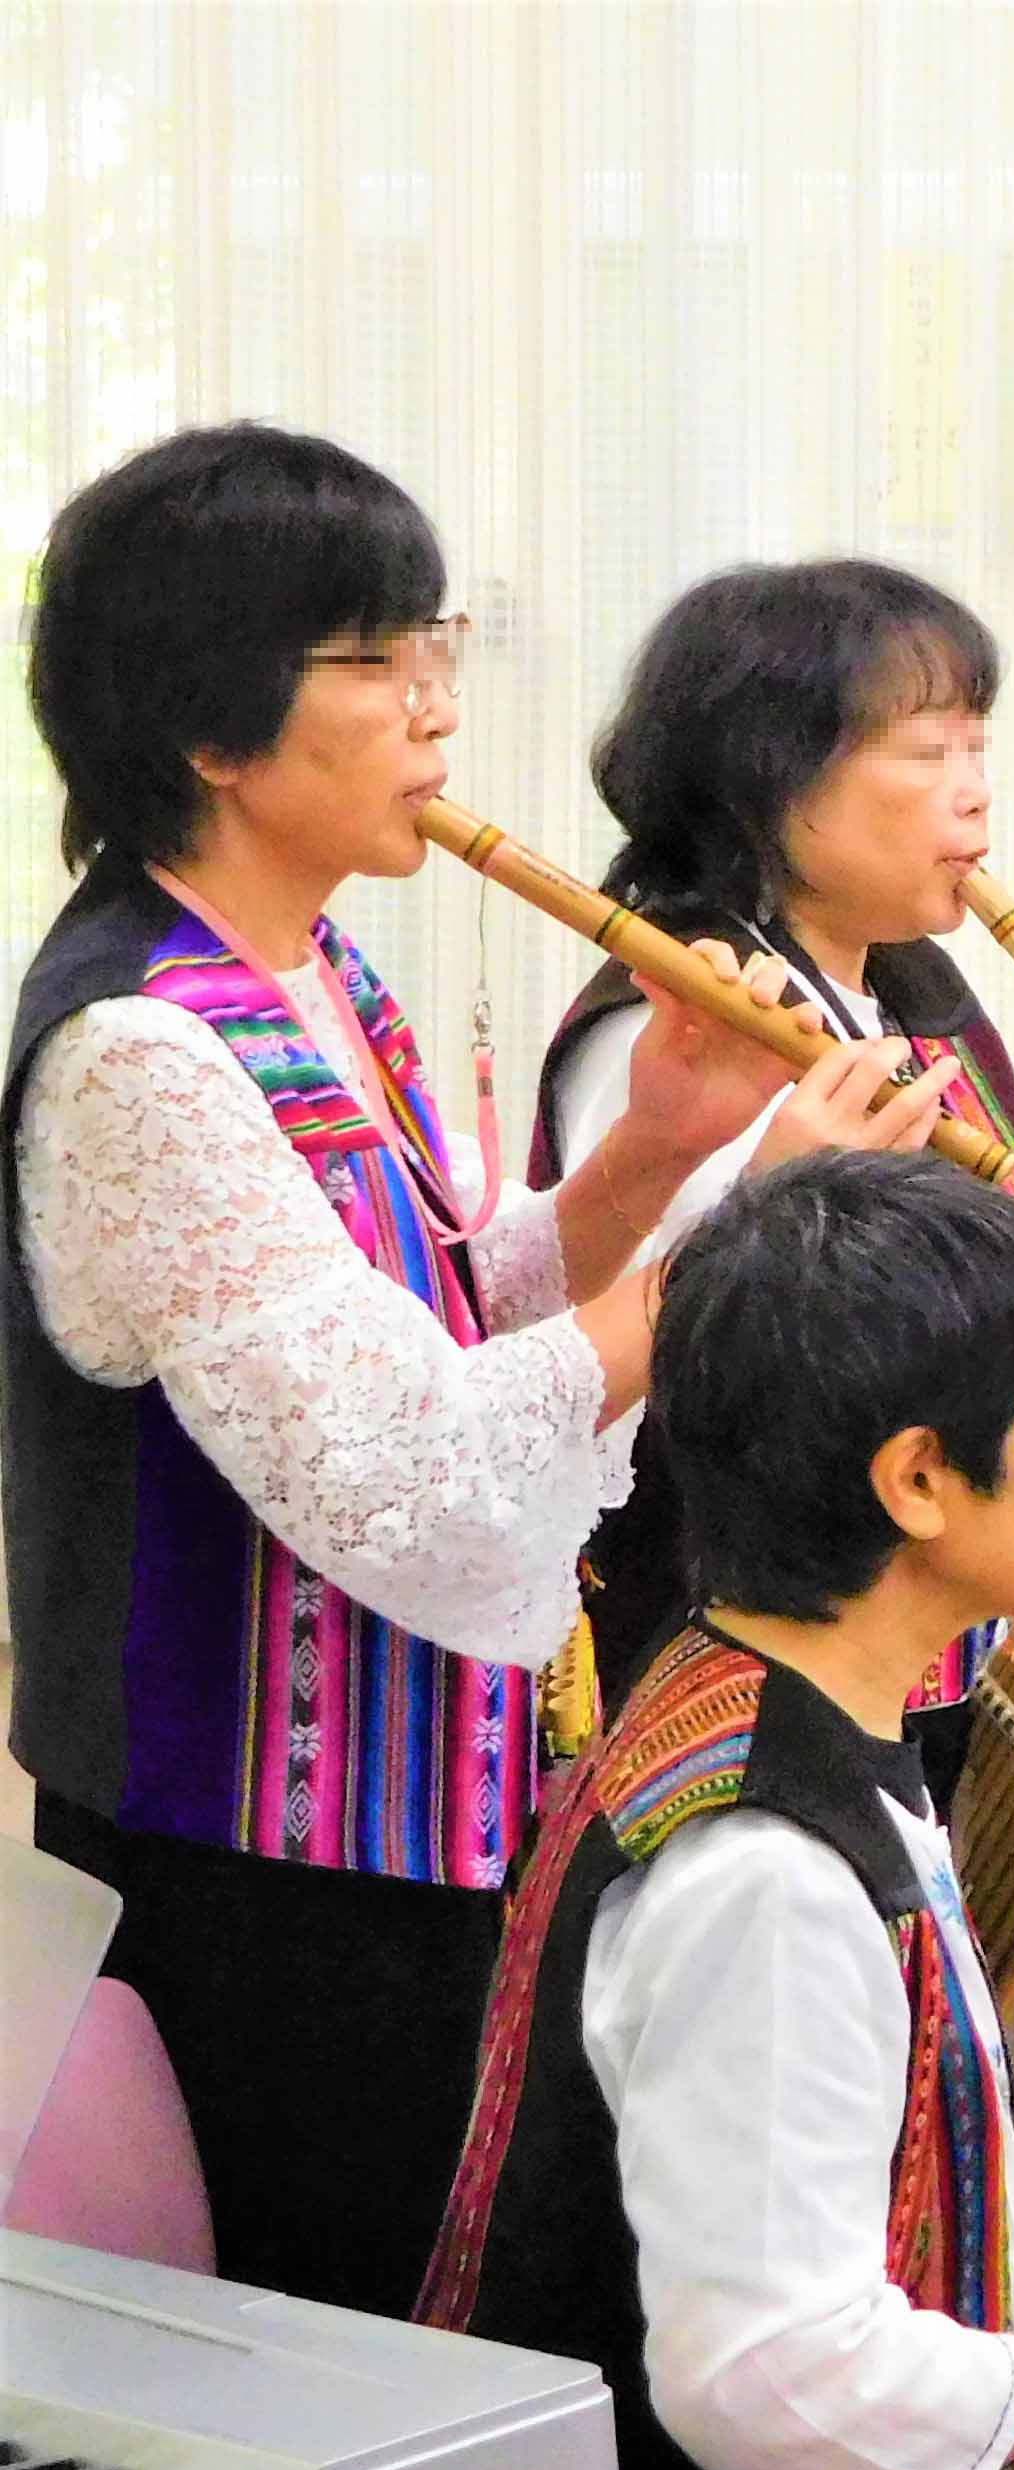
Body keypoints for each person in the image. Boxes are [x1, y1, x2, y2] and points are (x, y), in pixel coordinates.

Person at [4, 423, 807, 2318]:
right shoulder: (140, 1054)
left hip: (408, 1821)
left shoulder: (316, 976)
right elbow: (410, 1462)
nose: (440, 707)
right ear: (210, 730)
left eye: (433, 644)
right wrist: (739, 1244)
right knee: (344, 2339)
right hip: (251, 1881)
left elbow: (446, 1307)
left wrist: (640, 1160)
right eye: (375, 662)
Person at [418, 1152, 1014, 2470]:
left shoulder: (737, 1683)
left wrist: (993, 2197)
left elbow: (752, 2134)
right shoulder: (763, 1866)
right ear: (918, 1480)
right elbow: (761, 2368)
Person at [537, 557, 1014, 1711]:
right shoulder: (681, 1022)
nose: (975, 794)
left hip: (918, 1651)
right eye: (927, 752)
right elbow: (799, 1384)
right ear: (770, 782)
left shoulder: (914, 988)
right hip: (747, 1666)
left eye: (978, 749)